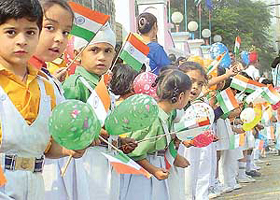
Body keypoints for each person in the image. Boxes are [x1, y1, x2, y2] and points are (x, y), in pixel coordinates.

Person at [0, 0, 84, 199]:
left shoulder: (48, 88)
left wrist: (66, 149)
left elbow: (44, 146)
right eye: (11, 32)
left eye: (30, 32)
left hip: (35, 186)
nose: (22, 40)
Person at [63, 24, 137, 200]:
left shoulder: (104, 86)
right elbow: (69, 127)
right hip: (84, 159)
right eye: (94, 50)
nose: (101, 57)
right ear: (78, 54)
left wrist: (119, 140)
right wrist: (99, 133)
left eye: (108, 51)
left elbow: (105, 124)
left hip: (106, 158)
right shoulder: (76, 84)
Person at [120, 69, 192, 200]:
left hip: (156, 166)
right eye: (189, 94)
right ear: (181, 96)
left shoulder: (168, 114)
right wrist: (153, 170)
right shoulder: (153, 117)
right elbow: (134, 151)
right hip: (144, 172)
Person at [178, 61, 214, 200]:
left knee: (192, 184)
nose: (195, 87)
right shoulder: (172, 106)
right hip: (174, 157)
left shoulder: (197, 108)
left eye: (200, 84)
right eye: (192, 81)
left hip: (190, 154)